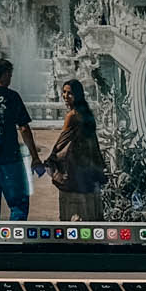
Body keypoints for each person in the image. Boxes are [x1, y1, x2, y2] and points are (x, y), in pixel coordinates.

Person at [0, 58, 45, 221]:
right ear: (4, 74)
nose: (10, 79)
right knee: (18, 204)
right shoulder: (12, 96)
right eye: (10, 75)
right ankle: (15, 235)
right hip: (10, 159)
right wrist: (35, 157)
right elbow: (24, 128)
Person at [46, 79, 107, 222]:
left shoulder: (72, 115)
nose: (65, 96)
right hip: (88, 168)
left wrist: (50, 161)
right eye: (64, 92)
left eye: (70, 93)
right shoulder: (87, 113)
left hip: (74, 168)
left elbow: (61, 143)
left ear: (77, 95)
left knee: (72, 215)